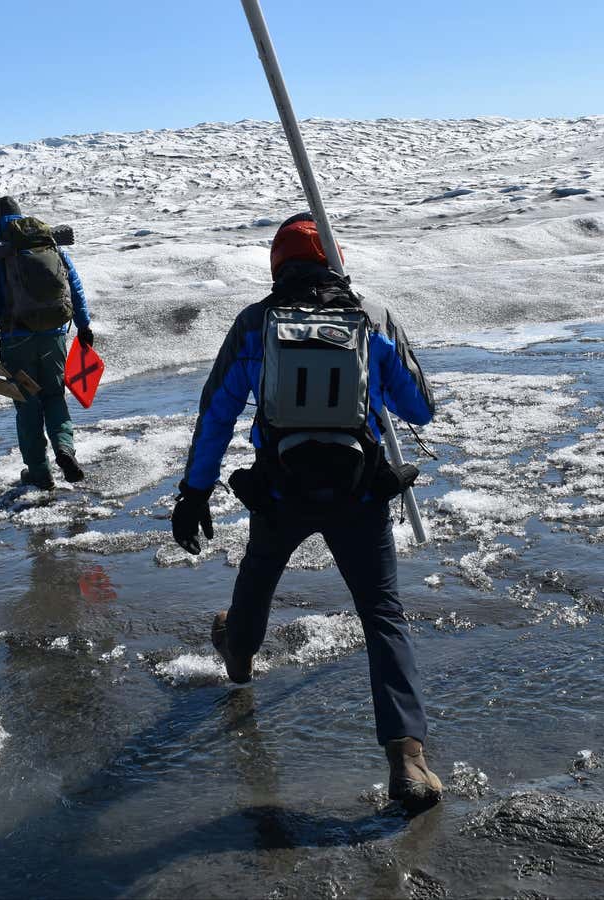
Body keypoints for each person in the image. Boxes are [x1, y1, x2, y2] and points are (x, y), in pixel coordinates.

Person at [171, 213, 445, 812]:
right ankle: (408, 758)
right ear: (335, 260)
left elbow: (217, 410)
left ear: (278, 264)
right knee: (381, 613)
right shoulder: (369, 316)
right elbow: (420, 409)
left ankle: (238, 657)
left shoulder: (255, 322)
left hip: (282, 487)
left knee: (259, 573)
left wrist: (195, 491)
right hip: (358, 490)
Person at [0, 195, 94, 490]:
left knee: (27, 405)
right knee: (55, 397)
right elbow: (74, 286)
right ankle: (64, 449)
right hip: (55, 336)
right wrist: (83, 325)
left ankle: (40, 473)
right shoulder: (48, 243)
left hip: (17, 341)